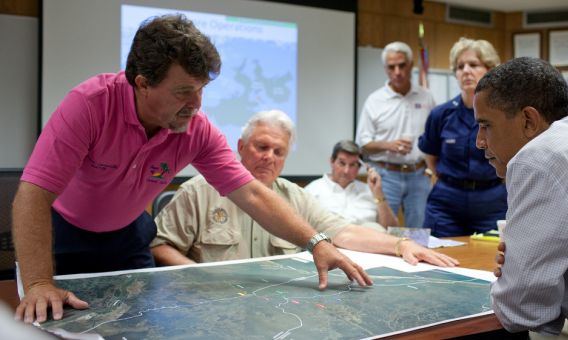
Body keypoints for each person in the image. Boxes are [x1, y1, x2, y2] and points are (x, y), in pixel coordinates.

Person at [12, 14, 371, 324]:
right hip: (64, 234)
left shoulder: (196, 129)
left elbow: (252, 194)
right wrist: (40, 283)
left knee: (139, 323)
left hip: (128, 236)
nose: (196, 104)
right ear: (142, 83)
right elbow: (33, 194)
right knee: (56, 318)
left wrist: (315, 242)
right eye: (184, 91)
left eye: (202, 89)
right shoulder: (89, 106)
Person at [151, 110, 458, 268]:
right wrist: (197, 274)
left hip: (280, 306)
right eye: (261, 147)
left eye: (279, 151)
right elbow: (159, 246)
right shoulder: (199, 191)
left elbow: (344, 232)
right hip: (214, 306)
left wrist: (400, 245)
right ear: (241, 147)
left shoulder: (295, 197)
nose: (269, 157)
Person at [474, 57, 568, 338]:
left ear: (528, 120)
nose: (479, 141)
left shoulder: (538, 158)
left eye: (486, 125)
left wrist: (516, 272)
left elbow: (522, 309)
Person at [417, 38, 507, 237]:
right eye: (460, 66)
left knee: (490, 261)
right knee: (439, 258)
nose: (466, 70)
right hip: (447, 201)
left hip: (491, 200)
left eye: (473, 65)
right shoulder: (441, 114)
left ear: (490, 69)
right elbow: (431, 156)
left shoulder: (505, 113)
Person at [356, 41, 435, 229]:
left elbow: (434, 138)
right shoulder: (375, 100)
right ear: (385, 69)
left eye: (402, 65)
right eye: (391, 67)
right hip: (386, 174)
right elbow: (362, 144)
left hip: (418, 174)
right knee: (385, 231)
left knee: (419, 232)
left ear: (411, 65)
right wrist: (388, 145)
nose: (397, 72)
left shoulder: (426, 97)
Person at [304, 140, 399, 230]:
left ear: (359, 168)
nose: (346, 171)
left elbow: (392, 230)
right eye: (342, 163)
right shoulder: (312, 190)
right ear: (332, 161)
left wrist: (378, 193)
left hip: (366, 244)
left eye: (352, 165)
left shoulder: (371, 191)